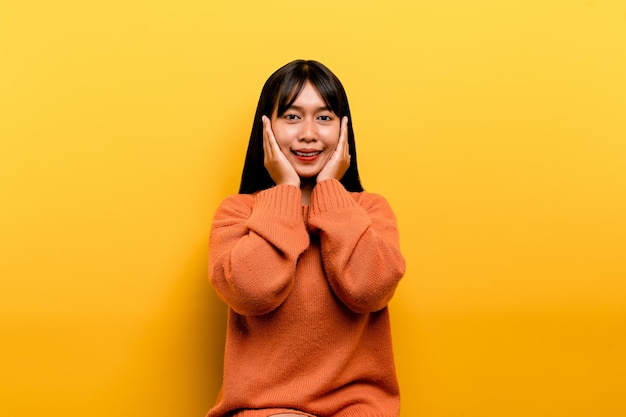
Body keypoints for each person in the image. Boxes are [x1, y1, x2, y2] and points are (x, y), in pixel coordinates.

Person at [206, 59, 406, 417]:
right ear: (265, 127)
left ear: (345, 130)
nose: (309, 133)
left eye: (324, 117)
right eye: (292, 116)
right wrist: (285, 191)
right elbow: (253, 292)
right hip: (262, 412)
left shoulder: (371, 211)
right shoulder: (237, 213)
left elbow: (368, 290)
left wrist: (329, 190)